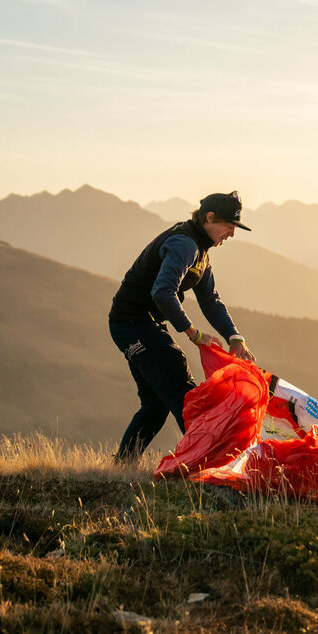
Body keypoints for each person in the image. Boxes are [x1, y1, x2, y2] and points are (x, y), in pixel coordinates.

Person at [108, 191, 256, 463]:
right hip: (131, 323)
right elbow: (162, 292)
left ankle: (121, 467)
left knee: (154, 404)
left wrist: (235, 336)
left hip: (139, 323)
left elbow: (210, 300)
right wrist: (193, 333)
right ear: (210, 218)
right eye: (229, 226)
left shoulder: (200, 250)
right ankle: (204, 463)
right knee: (184, 392)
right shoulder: (185, 244)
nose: (232, 234)